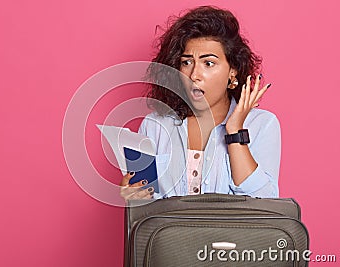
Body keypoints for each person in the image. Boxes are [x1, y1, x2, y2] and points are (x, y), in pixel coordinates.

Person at [120, 6, 281, 200]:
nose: (194, 75)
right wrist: (134, 197)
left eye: (208, 63)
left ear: (233, 71)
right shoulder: (155, 126)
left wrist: (235, 133)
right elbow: (147, 214)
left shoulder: (262, 125)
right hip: (168, 231)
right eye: (187, 62)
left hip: (233, 232)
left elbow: (266, 203)